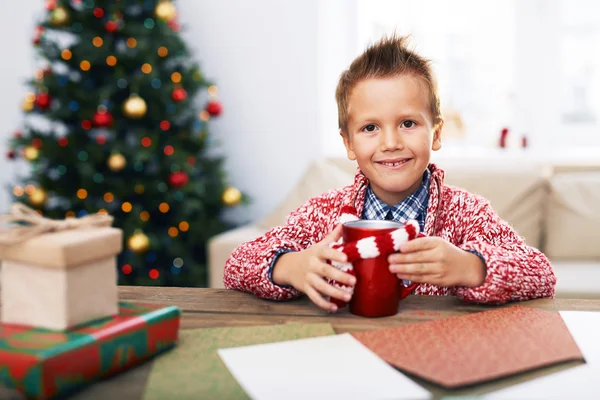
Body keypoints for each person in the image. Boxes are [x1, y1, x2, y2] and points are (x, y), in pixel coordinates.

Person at [223, 35, 556, 312]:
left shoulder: (468, 216)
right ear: (349, 143)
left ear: (436, 134)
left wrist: (472, 267)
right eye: (370, 128)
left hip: (439, 354)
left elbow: (541, 274)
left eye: (408, 124)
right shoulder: (323, 215)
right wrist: (290, 267)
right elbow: (236, 264)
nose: (391, 143)